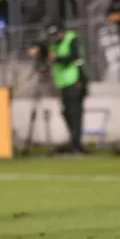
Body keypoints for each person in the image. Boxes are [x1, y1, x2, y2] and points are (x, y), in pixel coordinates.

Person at [47, 24, 87, 154]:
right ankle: (74, 142)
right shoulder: (54, 44)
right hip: (63, 83)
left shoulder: (71, 39)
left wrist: (57, 58)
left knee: (75, 114)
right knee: (66, 112)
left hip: (75, 81)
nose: (56, 37)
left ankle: (76, 145)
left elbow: (73, 57)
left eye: (57, 34)